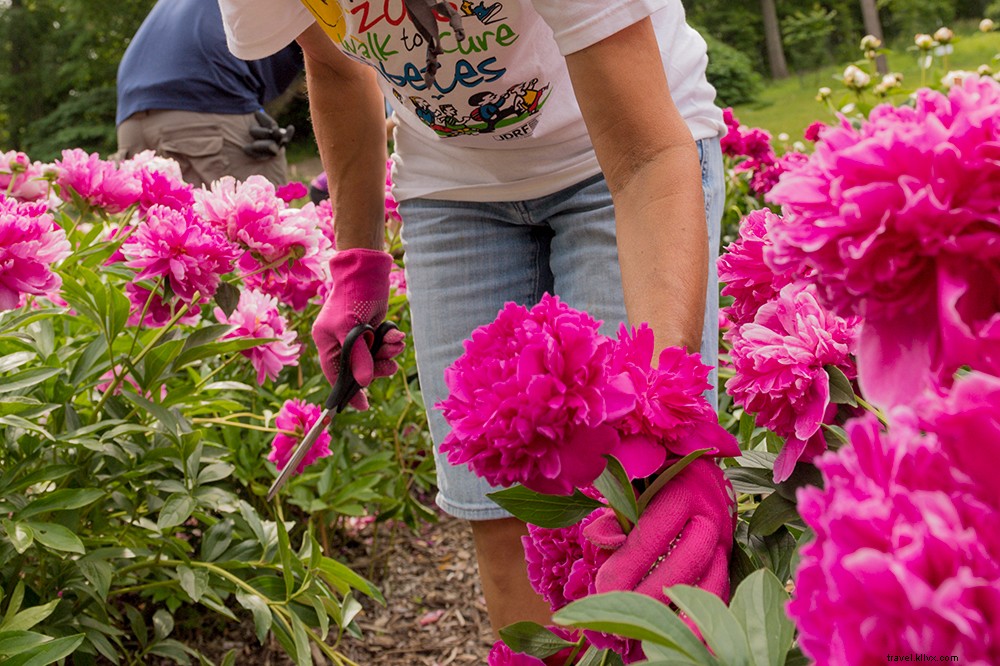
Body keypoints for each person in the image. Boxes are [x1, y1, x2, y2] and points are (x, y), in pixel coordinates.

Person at [219, 0, 730, 635]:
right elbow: (336, 69)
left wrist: (664, 413)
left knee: (634, 491)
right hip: (453, 189)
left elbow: (646, 158)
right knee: (499, 506)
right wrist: (358, 264)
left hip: (621, 156)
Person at [115, 0, 304, 187]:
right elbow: (329, 70)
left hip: (130, 117)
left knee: (159, 216)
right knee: (264, 207)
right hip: (206, 108)